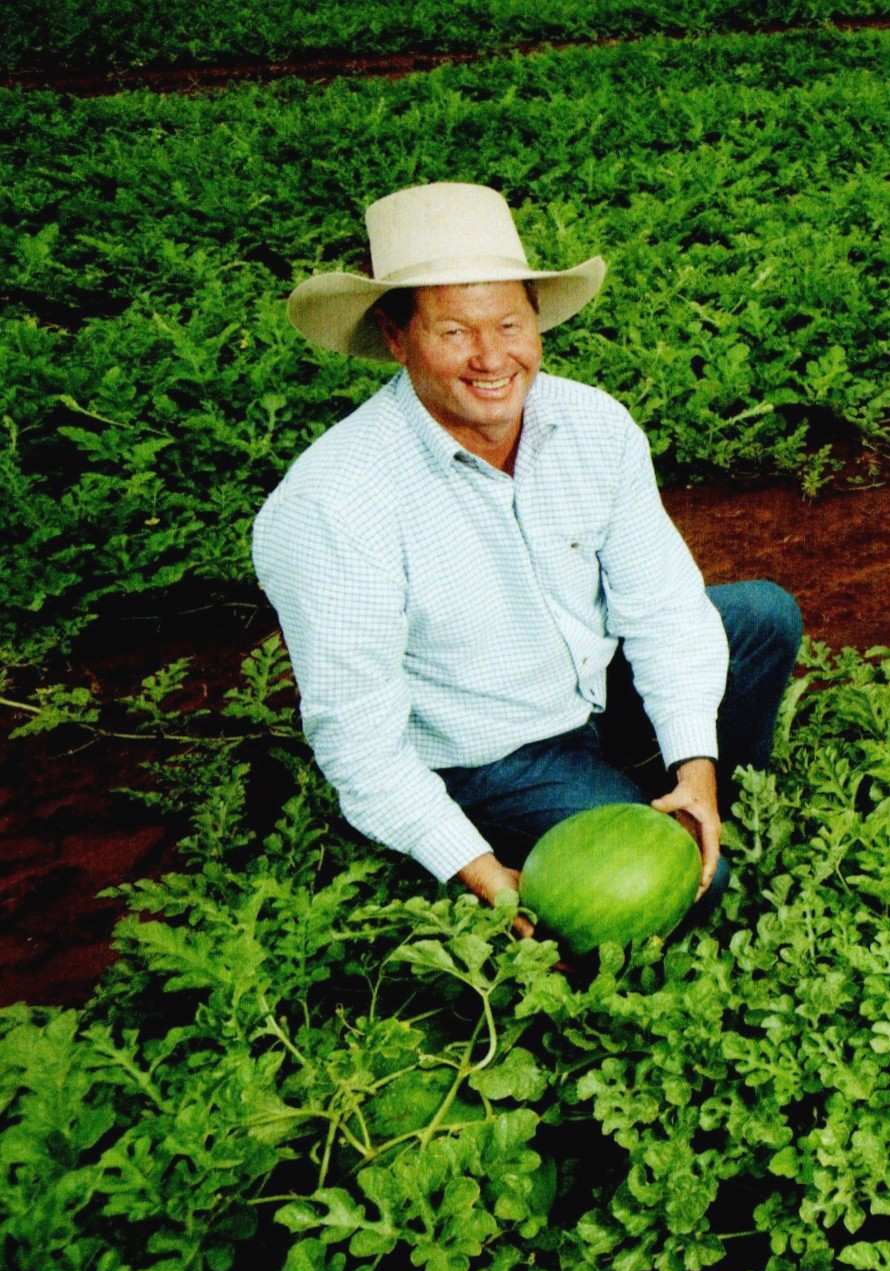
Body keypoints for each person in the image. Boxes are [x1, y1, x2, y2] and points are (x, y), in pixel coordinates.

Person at [255, 181, 800, 924]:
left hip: (588, 687)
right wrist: (476, 869)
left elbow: (664, 607)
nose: (490, 358)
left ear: (536, 320)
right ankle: (637, 830)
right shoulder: (334, 504)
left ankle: (693, 806)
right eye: (453, 332)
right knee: (689, 898)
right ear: (394, 336)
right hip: (491, 754)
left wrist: (695, 766)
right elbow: (359, 739)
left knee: (762, 617)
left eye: (509, 323)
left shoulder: (591, 425)